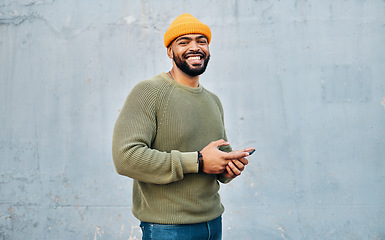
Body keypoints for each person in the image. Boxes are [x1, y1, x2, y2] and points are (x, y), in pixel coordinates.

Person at [112, 13, 254, 240]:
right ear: (170, 51)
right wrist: (198, 161)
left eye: (201, 41)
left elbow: (216, 159)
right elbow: (126, 158)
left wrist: (229, 167)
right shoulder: (149, 92)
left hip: (213, 223)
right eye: (184, 42)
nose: (195, 47)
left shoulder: (213, 100)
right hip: (168, 229)